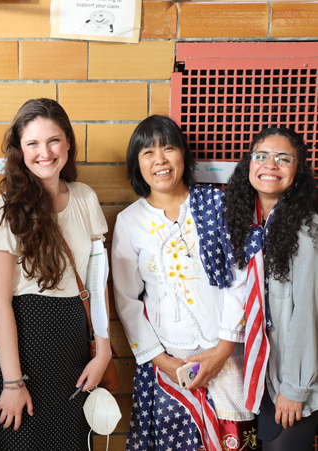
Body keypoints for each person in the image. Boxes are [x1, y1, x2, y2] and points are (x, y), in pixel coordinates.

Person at [111, 115, 257, 451]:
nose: (159, 160)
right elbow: (127, 301)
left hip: (227, 354)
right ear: (137, 164)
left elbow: (239, 279)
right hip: (170, 362)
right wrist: (164, 362)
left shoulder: (217, 205)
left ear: (183, 156)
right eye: (147, 152)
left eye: (168, 148)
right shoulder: (130, 221)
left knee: (239, 442)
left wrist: (221, 350)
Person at [0, 98, 112, 450]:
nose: (45, 152)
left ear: (68, 142)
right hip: (24, 344)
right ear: (19, 150)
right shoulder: (5, 210)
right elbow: (0, 303)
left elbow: (97, 284)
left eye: (54, 140)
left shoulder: (85, 198)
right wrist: (12, 383)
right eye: (32, 143)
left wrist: (103, 352)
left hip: (73, 345)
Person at [225, 127, 318, 450]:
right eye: (261, 156)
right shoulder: (246, 222)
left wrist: (295, 389)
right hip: (257, 375)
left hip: (290, 381)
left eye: (283, 159)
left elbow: (307, 316)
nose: (270, 165)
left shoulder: (307, 231)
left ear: (298, 170)